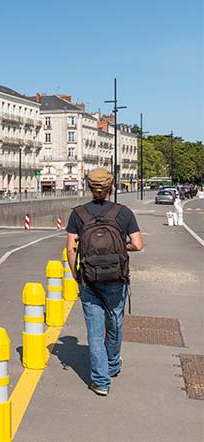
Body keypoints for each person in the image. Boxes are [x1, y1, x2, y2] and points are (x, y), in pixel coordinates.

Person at [66, 168, 143, 397]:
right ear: (112, 186)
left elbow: (71, 248)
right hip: (116, 278)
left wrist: (76, 275)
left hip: (89, 279)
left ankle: (100, 381)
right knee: (115, 324)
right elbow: (137, 244)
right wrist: (120, 248)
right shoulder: (124, 212)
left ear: (89, 187)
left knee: (94, 330)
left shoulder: (78, 214)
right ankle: (112, 366)